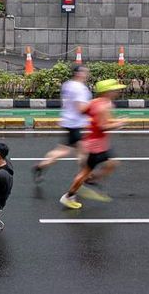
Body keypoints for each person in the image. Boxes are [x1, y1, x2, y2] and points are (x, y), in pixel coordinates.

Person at [59, 79, 129, 210]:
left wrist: (100, 121)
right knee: (87, 171)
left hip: (97, 143)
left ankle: (88, 180)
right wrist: (119, 124)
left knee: (111, 164)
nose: (117, 92)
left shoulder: (95, 102)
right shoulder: (103, 106)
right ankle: (69, 195)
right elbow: (103, 126)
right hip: (96, 146)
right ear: (107, 92)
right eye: (115, 90)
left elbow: (84, 112)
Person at [33, 64, 90, 183]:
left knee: (69, 150)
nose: (87, 74)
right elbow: (80, 108)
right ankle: (84, 175)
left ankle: (41, 166)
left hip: (68, 121)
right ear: (78, 73)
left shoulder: (67, 84)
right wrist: (92, 110)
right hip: (75, 123)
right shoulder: (80, 88)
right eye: (85, 72)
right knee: (77, 151)